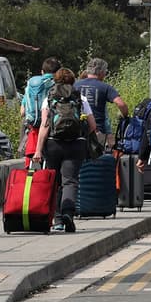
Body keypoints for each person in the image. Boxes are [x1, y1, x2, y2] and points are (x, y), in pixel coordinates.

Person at [31, 67, 97, 233]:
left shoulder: (49, 98)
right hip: (75, 144)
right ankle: (68, 213)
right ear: (73, 81)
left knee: (55, 181)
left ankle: (58, 219)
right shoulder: (80, 98)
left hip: (53, 144)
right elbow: (92, 125)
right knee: (70, 181)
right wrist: (81, 134)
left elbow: (45, 126)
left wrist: (38, 150)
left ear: (56, 81)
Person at [20, 56, 61, 168]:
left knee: (34, 164)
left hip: (34, 128)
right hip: (52, 130)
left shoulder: (31, 85)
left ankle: (31, 178)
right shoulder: (57, 85)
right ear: (58, 72)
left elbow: (22, 112)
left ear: (42, 71)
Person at [74, 57, 129, 138]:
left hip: (77, 129)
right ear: (101, 72)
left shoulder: (75, 85)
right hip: (97, 131)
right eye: (105, 71)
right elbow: (121, 104)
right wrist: (124, 115)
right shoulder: (105, 87)